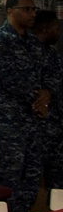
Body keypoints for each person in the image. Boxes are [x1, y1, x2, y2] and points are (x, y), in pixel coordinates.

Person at [0, 0, 50, 212]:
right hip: (9, 114)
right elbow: (8, 78)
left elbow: (49, 73)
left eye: (34, 10)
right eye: (27, 9)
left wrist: (47, 94)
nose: (33, 14)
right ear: (11, 11)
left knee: (32, 169)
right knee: (11, 167)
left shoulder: (33, 43)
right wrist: (37, 99)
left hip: (34, 117)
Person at [32, 10, 62, 190]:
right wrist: (41, 101)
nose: (58, 33)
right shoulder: (28, 50)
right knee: (31, 174)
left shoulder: (52, 53)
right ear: (45, 28)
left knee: (57, 174)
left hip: (55, 124)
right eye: (56, 28)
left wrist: (49, 92)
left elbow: (56, 80)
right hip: (36, 124)